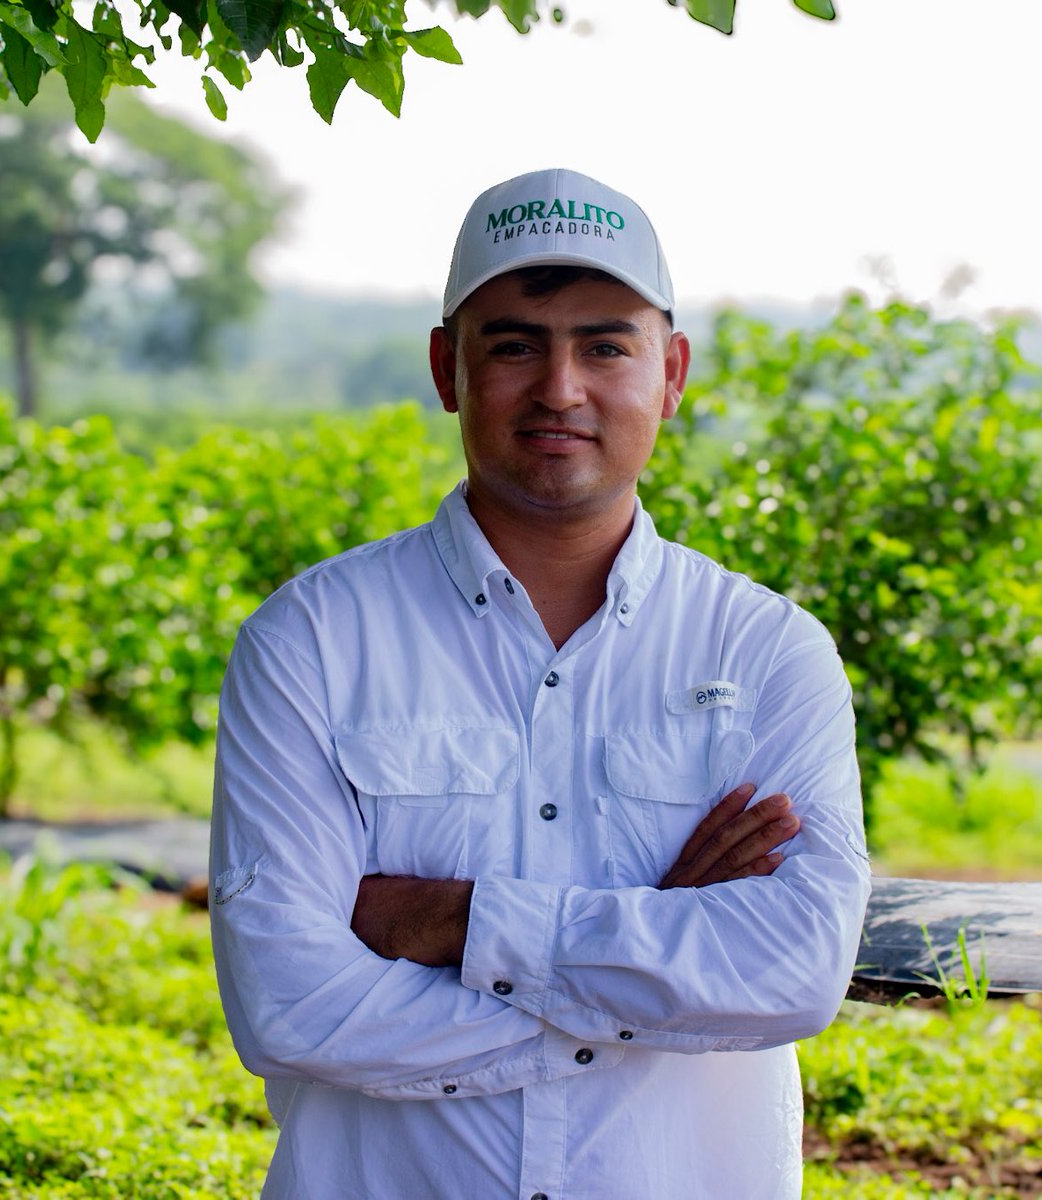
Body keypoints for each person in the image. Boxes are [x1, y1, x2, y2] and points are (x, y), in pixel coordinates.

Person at [210, 167, 871, 1199]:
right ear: (447, 368)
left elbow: (791, 969)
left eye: (606, 344)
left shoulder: (767, 653)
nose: (561, 388)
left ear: (674, 372)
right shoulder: (312, 643)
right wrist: (653, 953)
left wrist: (462, 924)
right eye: (515, 344)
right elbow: (289, 1003)